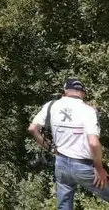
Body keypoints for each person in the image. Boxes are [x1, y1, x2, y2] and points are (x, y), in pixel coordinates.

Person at [28, 78, 109, 209]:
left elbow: (32, 129)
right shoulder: (87, 110)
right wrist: (99, 169)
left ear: (65, 91)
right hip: (83, 167)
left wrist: (50, 148)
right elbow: (94, 143)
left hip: (60, 163)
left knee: (64, 206)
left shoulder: (51, 105)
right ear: (82, 93)